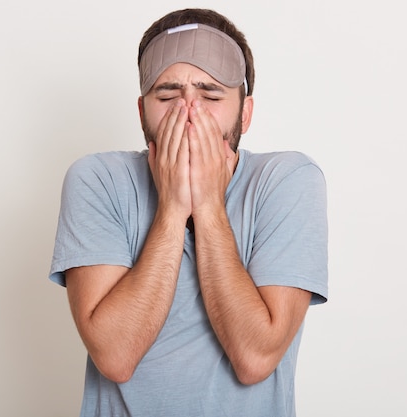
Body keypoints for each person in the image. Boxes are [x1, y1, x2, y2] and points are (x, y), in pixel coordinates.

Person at [49, 8, 328, 417]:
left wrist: (210, 205)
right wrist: (174, 207)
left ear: (245, 113)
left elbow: (255, 358)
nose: (189, 114)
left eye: (211, 96)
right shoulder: (97, 179)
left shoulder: (287, 181)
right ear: (143, 111)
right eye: (167, 96)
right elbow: (115, 356)